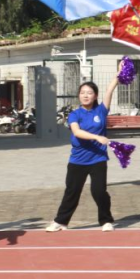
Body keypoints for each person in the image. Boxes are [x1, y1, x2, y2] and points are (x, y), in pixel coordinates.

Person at [46, 75, 121, 232]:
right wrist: (96, 137)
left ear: (95, 96)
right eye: (82, 93)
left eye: (89, 93)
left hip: (98, 159)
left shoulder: (101, 111)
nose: (85, 95)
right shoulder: (75, 114)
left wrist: (119, 73)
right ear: (79, 95)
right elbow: (77, 132)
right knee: (72, 192)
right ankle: (61, 221)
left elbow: (109, 90)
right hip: (78, 160)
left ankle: (106, 221)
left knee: (99, 191)